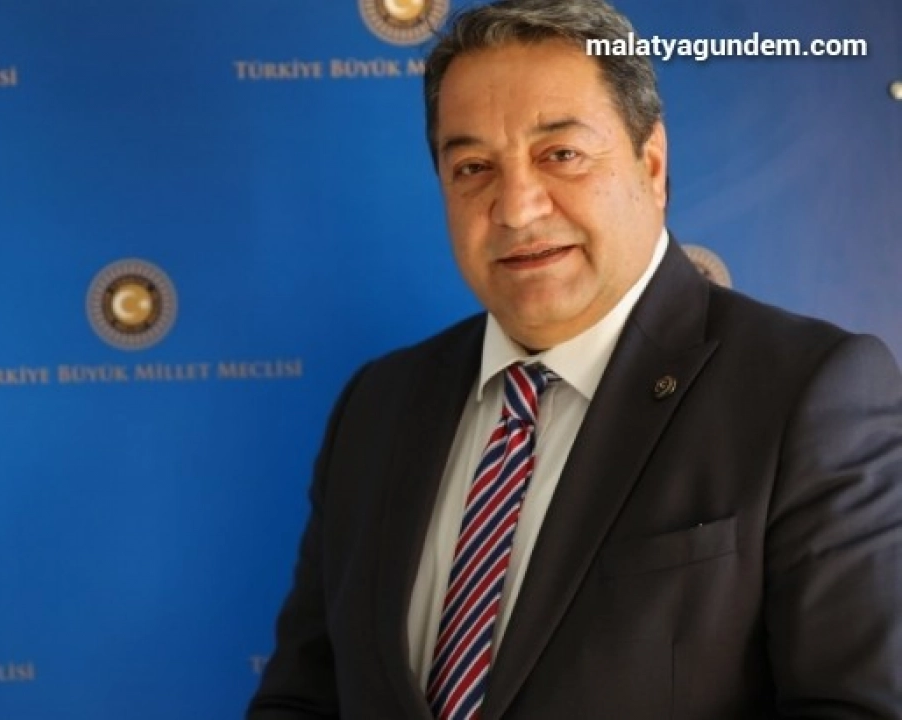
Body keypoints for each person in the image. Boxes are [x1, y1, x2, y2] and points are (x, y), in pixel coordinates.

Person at [246, 0, 902, 718]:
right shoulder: (376, 405)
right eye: (473, 167)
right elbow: (302, 700)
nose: (517, 208)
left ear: (652, 163)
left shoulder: (809, 393)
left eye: (560, 154)